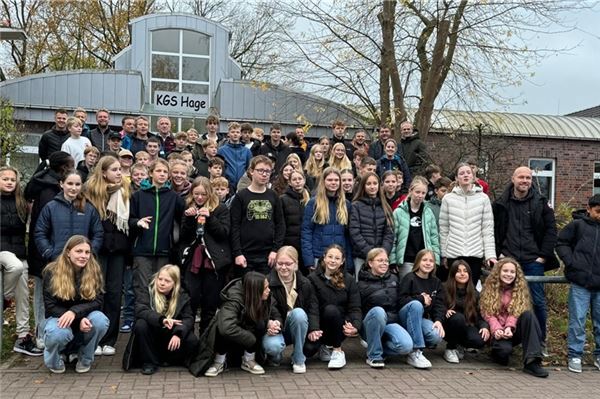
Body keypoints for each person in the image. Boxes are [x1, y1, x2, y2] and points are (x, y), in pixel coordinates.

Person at [493, 166, 558, 353]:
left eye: (528, 178)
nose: (525, 181)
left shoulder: (541, 203)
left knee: (537, 302)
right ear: (513, 179)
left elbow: (551, 231)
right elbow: (494, 230)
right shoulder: (501, 203)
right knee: (502, 302)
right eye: (521, 177)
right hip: (508, 260)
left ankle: (539, 342)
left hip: (533, 261)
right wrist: (499, 254)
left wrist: (543, 256)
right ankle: (502, 339)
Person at [25, 151, 75, 347]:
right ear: (63, 168)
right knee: (43, 294)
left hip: (53, 252)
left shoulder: (45, 184)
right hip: (47, 253)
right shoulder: (48, 191)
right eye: (70, 165)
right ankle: (41, 333)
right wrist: (50, 252)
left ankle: (51, 332)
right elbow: (45, 227)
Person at [84, 156, 131, 356]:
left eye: (120, 169)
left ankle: (110, 339)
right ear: (103, 172)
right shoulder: (91, 195)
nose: (119, 173)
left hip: (118, 251)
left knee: (114, 294)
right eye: (114, 169)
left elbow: (129, 225)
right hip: (97, 251)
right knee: (96, 293)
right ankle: (95, 338)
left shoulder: (126, 192)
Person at [42, 235, 109, 374]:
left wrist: (75, 313)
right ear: (68, 252)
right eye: (79, 251)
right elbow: (50, 305)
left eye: (87, 252)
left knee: (100, 320)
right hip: (57, 318)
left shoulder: (94, 271)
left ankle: (84, 358)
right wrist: (76, 318)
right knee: (57, 333)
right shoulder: (51, 272)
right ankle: (54, 361)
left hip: (83, 317)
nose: (83, 256)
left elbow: (98, 301)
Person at [192, 272, 273, 377]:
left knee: (260, 324)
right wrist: (250, 339)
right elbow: (226, 328)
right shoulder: (233, 300)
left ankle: (249, 359)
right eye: (265, 288)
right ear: (255, 290)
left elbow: (273, 309)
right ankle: (219, 361)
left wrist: (273, 321)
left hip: (245, 337)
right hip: (229, 340)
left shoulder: (260, 296)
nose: (269, 290)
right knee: (223, 328)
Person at [123, 264, 198, 375]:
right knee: (140, 324)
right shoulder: (147, 290)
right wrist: (161, 320)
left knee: (192, 339)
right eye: (160, 279)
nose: (162, 283)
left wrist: (178, 333)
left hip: (170, 335)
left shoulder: (182, 295)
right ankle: (148, 362)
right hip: (152, 334)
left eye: (167, 281)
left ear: (175, 284)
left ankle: (170, 360)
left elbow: (188, 318)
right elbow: (141, 310)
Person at [480, 258, 549, 378]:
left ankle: (532, 361)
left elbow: (517, 311)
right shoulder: (488, 288)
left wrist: (509, 327)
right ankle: (496, 352)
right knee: (503, 355)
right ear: (498, 272)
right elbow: (488, 314)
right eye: (505, 270)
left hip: (512, 330)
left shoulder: (520, 289)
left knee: (529, 315)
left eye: (512, 272)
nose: (509, 274)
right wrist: (497, 330)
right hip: (496, 331)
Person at [180, 177, 231, 333]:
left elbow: (223, 234)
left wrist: (210, 218)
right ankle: (188, 341)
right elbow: (183, 236)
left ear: (209, 193)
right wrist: (189, 219)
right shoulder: (188, 207)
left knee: (210, 305)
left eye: (203, 194)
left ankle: (205, 346)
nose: (200, 198)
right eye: (196, 194)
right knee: (191, 301)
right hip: (193, 262)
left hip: (213, 262)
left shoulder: (221, 208)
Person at [0, 166, 43, 356]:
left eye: (12, 179)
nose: (9, 182)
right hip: (2, 250)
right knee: (15, 266)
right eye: (5, 179)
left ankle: (23, 336)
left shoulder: (21, 202)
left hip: (18, 250)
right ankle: (4, 299)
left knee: (24, 292)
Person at [556, 194, 600, 373]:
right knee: (578, 320)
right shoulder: (577, 225)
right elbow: (561, 242)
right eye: (598, 211)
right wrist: (571, 262)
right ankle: (575, 354)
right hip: (580, 282)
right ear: (589, 209)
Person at [262, 246, 320, 374]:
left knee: (298, 313)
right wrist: (271, 323)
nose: (283, 267)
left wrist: (314, 328)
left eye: (288, 264)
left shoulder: (305, 283)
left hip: (297, 326)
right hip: (276, 326)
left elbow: (313, 307)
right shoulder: (267, 282)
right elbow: (268, 307)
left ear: (296, 264)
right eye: (280, 263)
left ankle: (298, 359)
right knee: (272, 347)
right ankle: (274, 357)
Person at [129, 159, 185, 290]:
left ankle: (157, 312)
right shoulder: (138, 196)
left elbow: (182, 219)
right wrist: (138, 222)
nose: (162, 174)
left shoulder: (174, 197)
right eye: (158, 171)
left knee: (161, 288)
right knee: (142, 288)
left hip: (164, 251)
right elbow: (129, 220)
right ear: (150, 173)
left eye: (165, 171)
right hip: (142, 250)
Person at [439, 162, 496, 285]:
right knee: (454, 290)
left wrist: (490, 255)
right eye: (462, 173)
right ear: (456, 178)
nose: (465, 175)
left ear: (473, 176)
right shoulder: (448, 199)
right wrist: (444, 254)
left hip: (475, 253)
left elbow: (487, 229)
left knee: (471, 291)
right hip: (454, 253)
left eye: (468, 172)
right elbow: (444, 229)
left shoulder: (483, 198)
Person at [307, 244, 361, 369]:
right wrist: (313, 328)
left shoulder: (349, 280)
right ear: (324, 258)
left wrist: (355, 326)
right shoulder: (312, 278)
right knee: (308, 350)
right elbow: (312, 307)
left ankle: (337, 351)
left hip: (340, 325)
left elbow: (355, 307)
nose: (332, 260)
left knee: (332, 310)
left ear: (342, 261)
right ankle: (324, 347)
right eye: (330, 256)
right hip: (320, 325)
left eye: (337, 258)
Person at [230, 155, 285, 276]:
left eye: (267, 171)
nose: (264, 174)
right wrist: (237, 253)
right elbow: (234, 227)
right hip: (245, 255)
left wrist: (276, 250)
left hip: (268, 255)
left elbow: (280, 225)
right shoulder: (241, 197)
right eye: (260, 170)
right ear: (251, 171)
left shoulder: (273, 196)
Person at [358, 248, 412, 368]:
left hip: (391, 321)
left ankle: (377, 346)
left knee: (406, 347)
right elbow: (356, 308)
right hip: (371, 324)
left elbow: (401, 301)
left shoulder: (394, 279)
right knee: (378, 311)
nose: (384, 263)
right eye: (380, 260)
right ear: (370, 263)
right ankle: (374, 355)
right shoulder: (361, 284)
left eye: (386, 261)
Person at [34, 171, 103, 265]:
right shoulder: (51, 207)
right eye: (70, 183)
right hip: (57, 261)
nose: (74, 188)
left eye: (77, 184)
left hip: (82, 263)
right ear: (62, 184)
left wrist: (89, 252)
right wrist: (49, 252)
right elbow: (40, 233)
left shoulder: (89, 209)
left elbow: (98, 233)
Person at [398, 249, 445, 369]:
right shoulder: (409, 278)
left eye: (431, 261)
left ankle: (415, 343)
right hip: (404, 317)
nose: (428, 263)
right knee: (416, 305)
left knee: (436, 335)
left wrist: (438, 320)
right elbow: (400, 301)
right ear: (418, 262)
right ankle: (416, 351)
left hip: (420, 319)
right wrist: (420, 299)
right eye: (424, 260)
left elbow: (439, 304)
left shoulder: (436, 282)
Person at [301, 167, 353, 271]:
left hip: (339, 258)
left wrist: (349, 261)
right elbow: (306, 232)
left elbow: (348, 235)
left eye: (336, 180)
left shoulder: (346, 204)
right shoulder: (313, 203)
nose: (333, 183)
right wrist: (309, 260)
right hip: (319, 256)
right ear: (323, 182)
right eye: (330, 180)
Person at [390, 176, 440, 279]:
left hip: (424, 259)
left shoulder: (428, 212)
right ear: (410, 191)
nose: (420, 196)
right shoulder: (399, 212)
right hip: (406, 259)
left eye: (423, 193)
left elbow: (434, 237)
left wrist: (436, 260)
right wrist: (393, 261)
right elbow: (393, 238)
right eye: (417, 192)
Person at [442, 260, 490, 363]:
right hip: (448, 325)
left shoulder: (474, 293)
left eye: (465, 271)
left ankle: (460, 345)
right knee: (458, 318)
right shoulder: (444, 288)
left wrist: (484, 327)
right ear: (453, 273)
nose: (462, 274)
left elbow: (480, 315)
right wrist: (445, 311)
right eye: (458, 271)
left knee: (478, 340)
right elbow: (437, 307)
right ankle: (450, 348)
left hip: (466, 325)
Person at [349, 172, 394, 278]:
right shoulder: (356, 206)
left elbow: (389, 233)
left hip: (381, 257)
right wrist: (370, 253)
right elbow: (354, 232)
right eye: (368, 184)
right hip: (361, 256)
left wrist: (383, 252)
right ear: (363, 186)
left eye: (375, 183)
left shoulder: (385, 206)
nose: (372, 186)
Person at [280, 170, 310, 270]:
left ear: (304, 180)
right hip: (290, 243)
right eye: (294, 179)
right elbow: (281, 223)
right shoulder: (283, 199)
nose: (297, 181)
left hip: (306, 244)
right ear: (289, 182)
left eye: (300, 179)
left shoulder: (310, 198)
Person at [218, 122, 252, 188]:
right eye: (233, 132)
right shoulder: (221, 150)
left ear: (240, 134)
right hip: (226, 185)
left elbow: (249, 169)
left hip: (243, 185)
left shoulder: (247, 151)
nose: (235, 134)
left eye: (237, 132)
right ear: (228, 134)